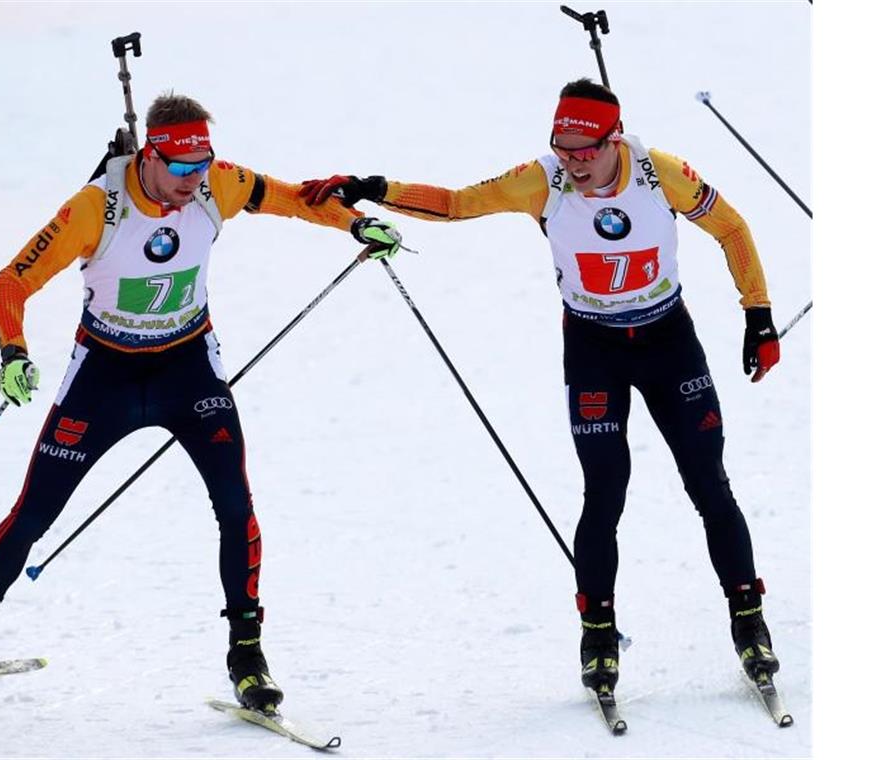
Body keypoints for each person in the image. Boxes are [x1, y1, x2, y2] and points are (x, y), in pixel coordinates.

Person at [0, 92, 404, 712]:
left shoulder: (217, 184)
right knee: (34, 512)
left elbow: (290, 198)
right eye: (180, 169)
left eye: (201, 166)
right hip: (105, 376)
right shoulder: (95, 208)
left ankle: (247, 653)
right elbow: (12, 280)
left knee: (236, 508)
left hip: (189, 372)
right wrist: (13, 352)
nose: (193, 181)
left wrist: (355, 224)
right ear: (148, 156)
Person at [299, 78, 782, 694]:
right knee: (605, 492)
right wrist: (373, 189)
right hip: (593, 348)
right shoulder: (542, 178)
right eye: (564, 147)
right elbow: (454, 203)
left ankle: (749, 620)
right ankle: (598, 635)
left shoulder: (661, 173)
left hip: (668, 343)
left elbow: (733, 229)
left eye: (586, 149)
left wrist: (758, 313)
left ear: (613, 140)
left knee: (709, 484)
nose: (574, 162)